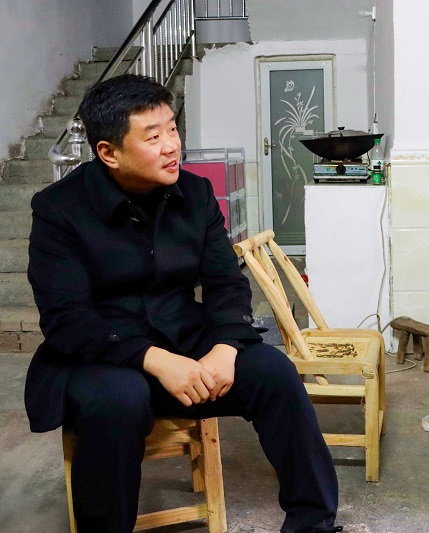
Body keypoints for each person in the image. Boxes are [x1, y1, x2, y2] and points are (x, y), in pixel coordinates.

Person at [25, 74, 342, 533]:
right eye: (153, 137)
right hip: (101, 355)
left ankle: (313, 524)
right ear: (109, 152)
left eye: (172, 129)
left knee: (274, 373)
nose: (172, 146)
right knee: (119, 400)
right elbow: (66, 319)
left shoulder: (194, 194)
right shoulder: (59, 209)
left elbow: (225, 283)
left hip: (184, 337)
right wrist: (156, 361)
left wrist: (226, 347)